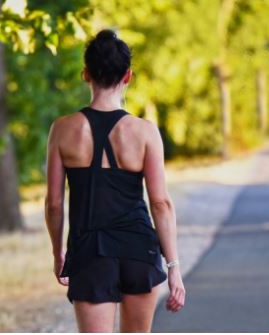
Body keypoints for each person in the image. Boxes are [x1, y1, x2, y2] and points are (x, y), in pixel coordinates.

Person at [44, 28, 185, 332]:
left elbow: (54, 203)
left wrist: (58, 252)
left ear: (85, 74)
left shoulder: (63, 129)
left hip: (88, 252)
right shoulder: (145, 132)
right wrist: (173, 267)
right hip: (139, 249)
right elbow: (160, 203)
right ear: (128, 76)